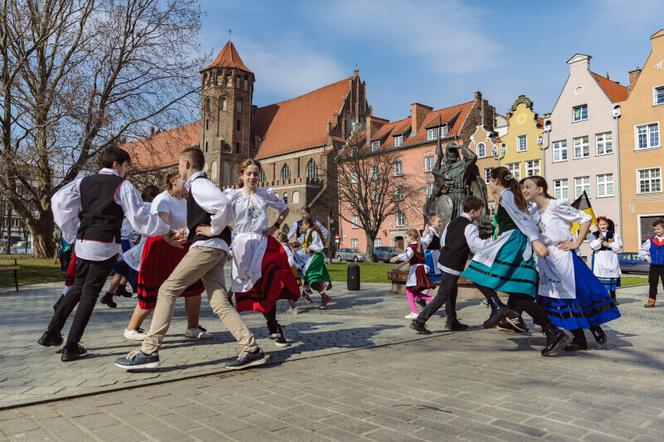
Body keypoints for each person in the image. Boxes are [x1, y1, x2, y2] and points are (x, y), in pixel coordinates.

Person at [115, 147, 266, 370]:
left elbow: (223, 206)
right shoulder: (199, 186)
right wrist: (189, 231)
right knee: (219, 302)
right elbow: (210, 213)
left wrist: (213, 229)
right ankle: (251, 348)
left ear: (186, 164)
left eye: (178, 164)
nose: (178, 169)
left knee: (167, 290)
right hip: (217, 248)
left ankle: (149, 350)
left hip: (207, 247)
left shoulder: (198, 184)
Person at [38, 146, 178, 362]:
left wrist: (73, 230)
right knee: (89, 293)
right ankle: (71, 346)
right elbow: (140, 218)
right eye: (125, 166)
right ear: (117, 164)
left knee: (77, 287)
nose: (126, 170)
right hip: (104, 244)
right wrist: (165, 229)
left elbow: (59, 202)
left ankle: (51, 332)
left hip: (84, 241)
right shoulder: (122, 186)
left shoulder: (84, 181)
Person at [461, 167, 568, 356]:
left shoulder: (506, 195)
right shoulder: (510, 195)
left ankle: (497, 306)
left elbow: (522, 218)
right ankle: (553, 331)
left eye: (490, 180)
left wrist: (535, 239)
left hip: (513, 242)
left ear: (495, 181)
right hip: (517, 242)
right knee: (521, 294)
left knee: (475, 270)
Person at [522, 176, 620, 351]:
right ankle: (579, 338)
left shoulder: (556, 205)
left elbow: (585, 219)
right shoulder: (534, 210)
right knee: (556, 299)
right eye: (523, 188)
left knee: (575, 295)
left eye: (528, 187)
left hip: (563, 256)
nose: (524, 190)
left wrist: (576, 242)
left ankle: (593, 326)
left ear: (540, 189)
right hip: (546, 259)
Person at [123, 173, 211, 341]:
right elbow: (162, 225)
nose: (188, 184)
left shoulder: (185, 202)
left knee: (193, 288)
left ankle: (192, 327)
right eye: (184, 180)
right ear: (173, 180)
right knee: (153, 290)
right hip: (161, 248)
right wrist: (175, 235)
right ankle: (132, 328)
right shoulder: (162, 200)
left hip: (181, 247)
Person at [221, 159, 299, 347]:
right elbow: (218, 214)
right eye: (249, 173)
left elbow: (284, 208)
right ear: (241, 175)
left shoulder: (264, 195)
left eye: (256, 173)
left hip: (262, 243)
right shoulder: (233, 196)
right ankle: (244, 332)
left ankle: (273, 326)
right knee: (249, 287)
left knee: (268, 282)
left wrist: (275, 226)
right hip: (241, 245)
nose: (252, 177)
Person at [410, 196, 487, 334]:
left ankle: (452, 321)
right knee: (443, 294)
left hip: (445, 260)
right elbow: (475, 247)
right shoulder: (470, 227)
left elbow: (443, 241)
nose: (481, 213)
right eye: (480, 211)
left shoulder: (452, 222)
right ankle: (420, 321)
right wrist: (489, 244)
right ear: (473, 211)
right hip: (454, 263)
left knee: (452, 291)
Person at [100, 185, 161, 309]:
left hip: (125, 239)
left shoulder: (138, 206)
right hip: (129, 240)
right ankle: (137, 292)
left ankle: (114, 291)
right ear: (153, 197)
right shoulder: (148, 207)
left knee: (126, 267)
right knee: (131, 267)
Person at [390, 229, 435, 319]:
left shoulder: (411, 247)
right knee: (412, 291)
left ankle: (417, 310)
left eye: (406, 236)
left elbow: (407, 255)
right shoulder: (421, 244)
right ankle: (430, 300)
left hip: (416, 270)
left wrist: (397, 257)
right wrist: (430, 232)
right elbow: (428, 240)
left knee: (409, 290)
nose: (405, 238)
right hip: (422, 268)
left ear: (411, 237)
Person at [590, 216, 622, 305]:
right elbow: (593, 246)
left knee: (611, 279)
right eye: (600, 224)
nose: (602, 226)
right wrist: (599, 240)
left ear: (607, 225)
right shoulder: (594, 234)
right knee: (600, 280)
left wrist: (609, 244)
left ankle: (613, 297)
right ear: (598, 225)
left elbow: (618, 248)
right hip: (599, 259)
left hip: (611, 258)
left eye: (604, 224)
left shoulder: (614, 234)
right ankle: (602, 298)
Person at [301, 217, 332, 309]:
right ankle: (323, 296)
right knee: (309, 277)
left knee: (312, 277)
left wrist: (309, 249)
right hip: (311, 257)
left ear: (307, 225)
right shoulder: (307, 234)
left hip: (316, 257)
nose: (302, 226)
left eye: (303, 224)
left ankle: (323, 297)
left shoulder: (313, 233)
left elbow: (319, 246)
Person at [639, 218, 664, 308]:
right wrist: (647, 257)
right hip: (654, 266)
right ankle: (651, 300)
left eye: (658, 229)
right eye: (655, 229)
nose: (656, 231)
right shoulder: (651, 241)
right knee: (653, 282)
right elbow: (642, 251)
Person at [278, 231, 302, 314]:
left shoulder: (285, 247)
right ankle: (292, 307)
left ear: (280, 239)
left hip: (287, 270)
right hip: (286, 270)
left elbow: (290, 258)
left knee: (287, 288)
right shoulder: (286, 246)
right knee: (286, 289)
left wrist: (287, 266)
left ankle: (294, 307)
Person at [421, 215, 443, 284]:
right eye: (438, 221)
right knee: (432, 275)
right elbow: (425, 243)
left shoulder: (435, 231)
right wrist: (425, 234)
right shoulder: (430, 231)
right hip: (431, 256)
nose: (440, 223)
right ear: (432, 222)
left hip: (435, 254)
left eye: (440, 222)